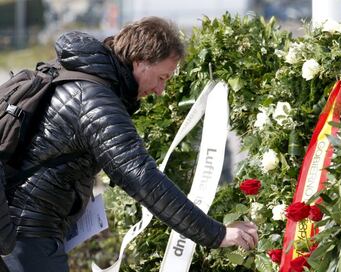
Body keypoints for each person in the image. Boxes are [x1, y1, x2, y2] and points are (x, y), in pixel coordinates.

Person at [0, 17, 258, 271]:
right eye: (162, 77)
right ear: (140, 62)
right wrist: (217, 234)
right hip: (26, 232)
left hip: (19, 225)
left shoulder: (78, 74)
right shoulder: (96, 102)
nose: (161, 90)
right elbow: (142, 178)